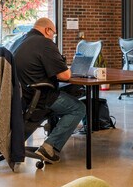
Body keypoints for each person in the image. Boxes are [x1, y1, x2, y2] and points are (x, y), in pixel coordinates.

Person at [13, 17, 86, 164]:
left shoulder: (18, 41)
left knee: (67, 94)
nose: (53, 36)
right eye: (53, 33)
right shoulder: (45, 43)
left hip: (18, 96)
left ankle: (50, 135)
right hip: (37, 97)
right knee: (78, 108)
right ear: (47, 30)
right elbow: (65, 76)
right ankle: (49, 147)